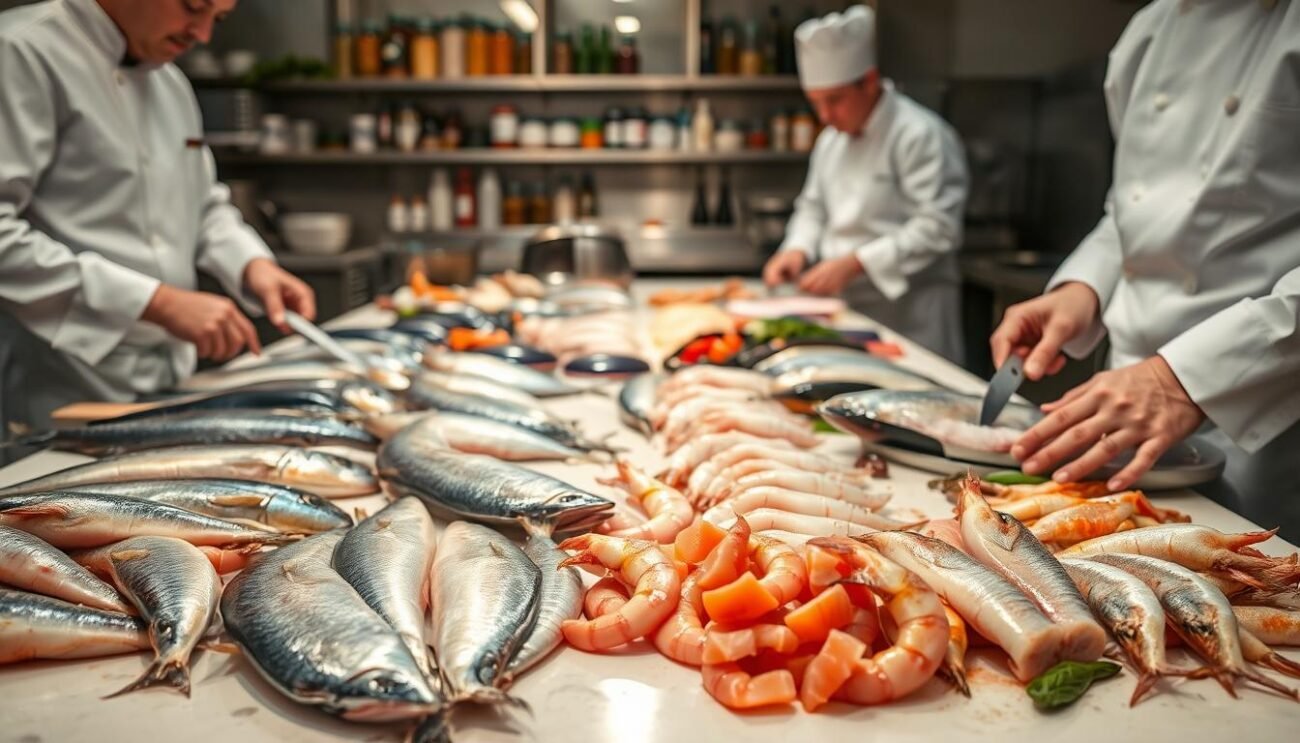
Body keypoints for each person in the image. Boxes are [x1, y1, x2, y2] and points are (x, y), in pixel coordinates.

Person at [990, 0, 1300, 539]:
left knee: (1248, 571)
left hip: (1262, 411)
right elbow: (1131, 210)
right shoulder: (1149, 31)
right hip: (1120, 409)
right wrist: (1083, 287)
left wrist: (1183, 380)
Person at [0, 0, 315, 435]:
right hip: (59, 382)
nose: (202, 34)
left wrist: (251, 264)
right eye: (193, 7)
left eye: (218, 18)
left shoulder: (170, 83)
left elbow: (200, 203)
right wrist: (157, 303)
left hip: (170, 376)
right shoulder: (19, 50)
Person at [762, 5, 969, 362]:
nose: (825, 115)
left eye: (834, 100)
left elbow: (938, 228)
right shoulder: (830, 140)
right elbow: (813, 207)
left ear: (869, 81)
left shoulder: (919, 134)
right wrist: (797, 248)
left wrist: (856, 263)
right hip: (846, 311)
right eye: (815, 103)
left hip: (912, 315)